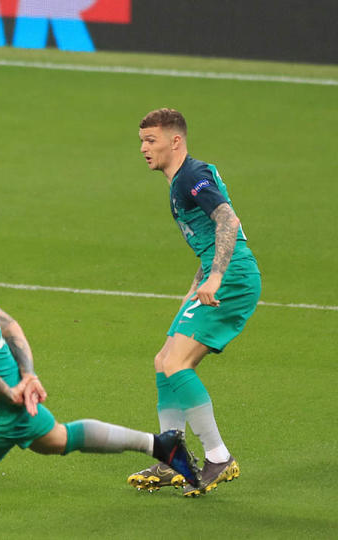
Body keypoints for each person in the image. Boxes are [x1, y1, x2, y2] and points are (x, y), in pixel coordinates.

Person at [0, 224, 200, 539]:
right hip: (12, 397)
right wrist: (28, 374)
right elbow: (11, 326)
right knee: (57, 440)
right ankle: (160, 445)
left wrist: (13, 392)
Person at [130, 108, 261, 496]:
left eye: (150, 140)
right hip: (217, 275)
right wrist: (199, 280)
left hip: (232, 277)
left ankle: (218, 456)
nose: (143, 148)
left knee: (175, 363)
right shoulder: (182, 179)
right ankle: (174, 460)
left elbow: (227, 221)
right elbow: (206, 236)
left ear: (176, 141)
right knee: (163, 361)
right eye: (141, 141)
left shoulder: (192, 176)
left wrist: (216, 276)